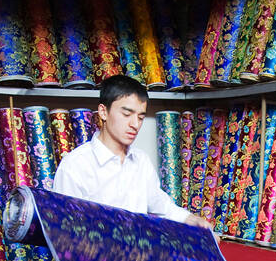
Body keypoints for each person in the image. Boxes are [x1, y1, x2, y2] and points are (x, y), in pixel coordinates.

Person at [52, 74, 213, 229]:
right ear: (103, 112)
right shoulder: (74, 166)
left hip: (142, 255)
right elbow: (64, 231)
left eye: (141, 117)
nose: (135, 124)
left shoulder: (141, 160)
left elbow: (161, 206)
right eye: (127, 114)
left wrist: (192, 220)